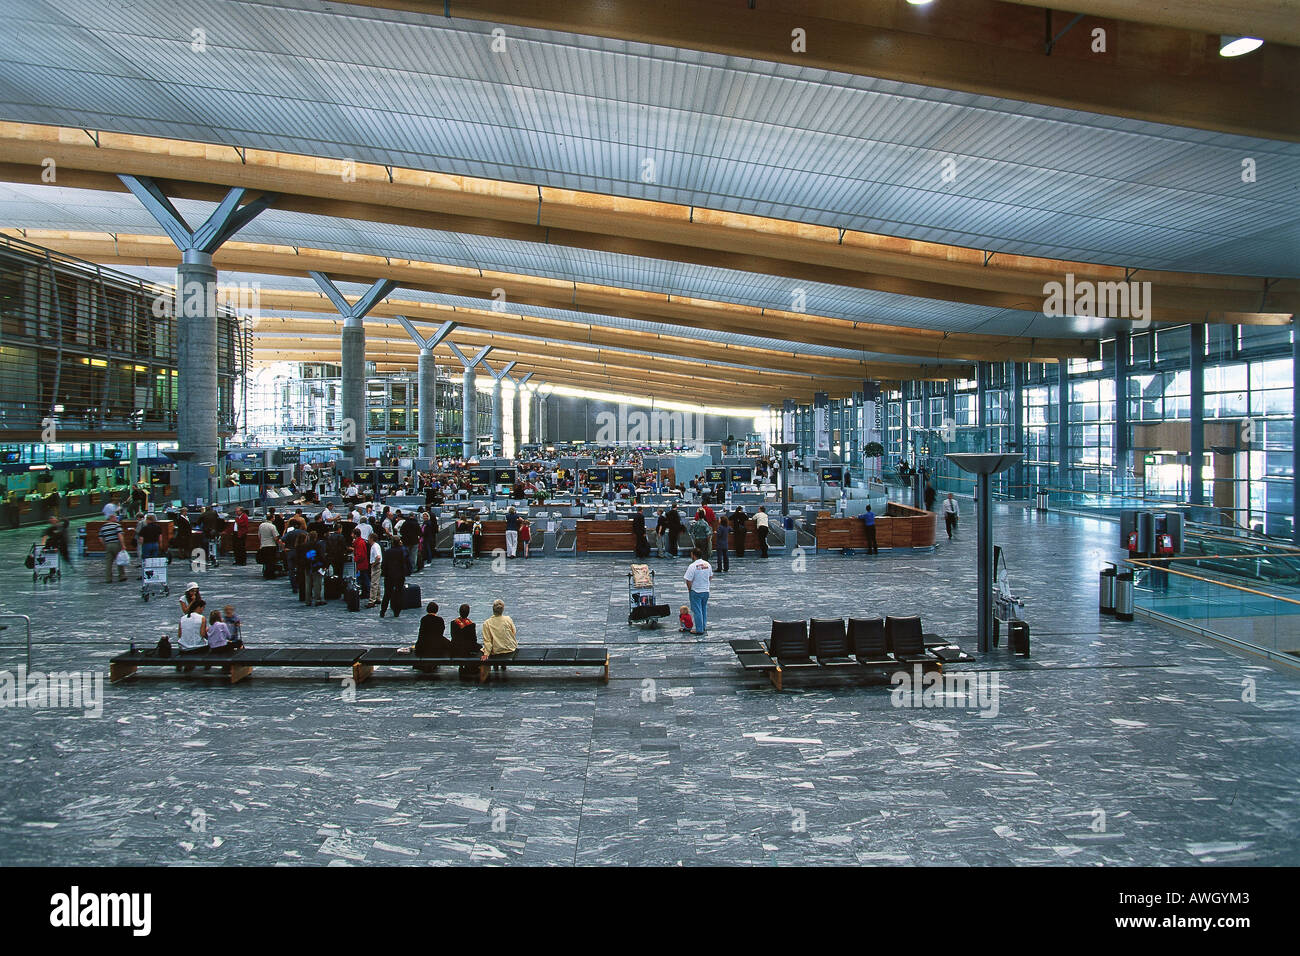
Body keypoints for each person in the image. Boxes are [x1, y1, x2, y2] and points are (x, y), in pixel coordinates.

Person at [480, 598, 518, 676]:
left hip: (496, 650)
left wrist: (486, 654)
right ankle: (503, 666)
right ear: (502, 609)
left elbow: (487, 641)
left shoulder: (487, 623)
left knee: (493, 648)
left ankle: (496, 666)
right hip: (509, 648)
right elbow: (514, 632)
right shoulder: (508, 619)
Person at [412, 601, 450, 673]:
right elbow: (441, 633)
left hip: (425, 643)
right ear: (436, 610)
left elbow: (421, 633)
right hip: (436, 643)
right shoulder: (440, 620)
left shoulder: (424, 619)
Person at [379, 537, 410, 618]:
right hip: (399, 575)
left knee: (387, 594)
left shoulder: (388, 552)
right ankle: (397, 611)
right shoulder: (401, 552)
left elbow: (384, 564)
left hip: (389, 575)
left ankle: (383, 611)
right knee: (398, 593)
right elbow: (404, 563)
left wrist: (385, 573)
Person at [683, 548, 712, 635]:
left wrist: (690, 589)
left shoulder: (692, 566)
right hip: (706, 591)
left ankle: (699, 629)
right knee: (703, 609)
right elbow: (710, 576)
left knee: (697, 611)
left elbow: (688, 580)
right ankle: (703, 626)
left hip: (696, 591)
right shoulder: (707, 564)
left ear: (693, 555)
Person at [449, 605, 481, 681]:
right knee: (479, 647)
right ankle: (472, 666)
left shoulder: (453, 623)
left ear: (459, 612)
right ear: (468, 613)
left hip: (456, 647)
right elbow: (474, 640)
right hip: (467, 648)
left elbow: (452, 635)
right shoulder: (471, 625)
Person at [175, 601, 208, 673]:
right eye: (203, 608)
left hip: (183, 647)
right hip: (197, 647)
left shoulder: (182, 618)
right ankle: (206, 666)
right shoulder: (202, 618)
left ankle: (184, 665)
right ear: (199, 607)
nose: (203, 610)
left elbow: (179, 635)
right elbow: (203, 634)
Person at [99, 512, 126, 583]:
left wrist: (105, 545)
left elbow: (101, 538)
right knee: (120, 560)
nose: (116, 519)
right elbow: (120, 535)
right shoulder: (116, 525)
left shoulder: (103, 527)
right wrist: (123, 545)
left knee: (108, 563)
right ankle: (121, 576)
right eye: (115, 517)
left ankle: (108, 578)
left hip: (108, 545)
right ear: (111, 518)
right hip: (116, 544)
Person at [258, 511, 280, 579]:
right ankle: (270, 575)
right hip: (271, 545)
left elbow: (259, 535)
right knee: (271, 561)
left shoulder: (261, 525)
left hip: (263, 545)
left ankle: (265, 573)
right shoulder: (272, 526)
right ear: (272, 519)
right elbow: (276, 537)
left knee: (266, 561)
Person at [368, 534, 384, 608]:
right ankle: (377, 598)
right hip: (377, 564)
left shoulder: (375, 546)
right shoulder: (376, 546)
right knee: (376, 582)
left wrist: (373, 564)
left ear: (371, 538)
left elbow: (378, 557)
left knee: (373, 583)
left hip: (376, 565)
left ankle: (372, 601)